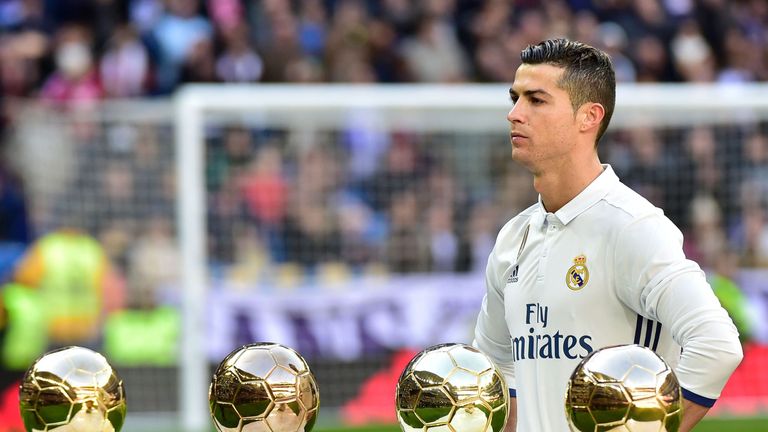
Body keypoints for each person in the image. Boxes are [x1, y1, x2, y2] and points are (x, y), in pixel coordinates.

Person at [472, 39, 743, 432]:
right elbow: (496, 364)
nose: (514, 114)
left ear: (589, 117)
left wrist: (651, 426)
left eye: (536, 100)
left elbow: (716, 345)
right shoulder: (513, 238)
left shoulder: (632, 226)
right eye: (515, 98)